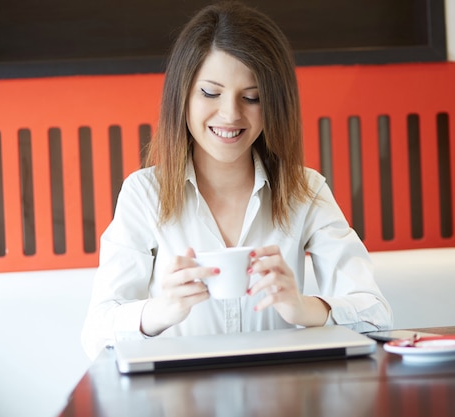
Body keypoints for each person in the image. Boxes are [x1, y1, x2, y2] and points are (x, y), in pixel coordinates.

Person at [81, 0, 393, 359]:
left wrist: (303, 308)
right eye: (210, 93)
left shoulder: (303, 190)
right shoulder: (143, 194)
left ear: (275, 104)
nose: (230, 114)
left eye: (252, 98)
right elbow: (95, 335)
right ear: (182, 95)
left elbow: (377, 316)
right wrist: (159, 311)